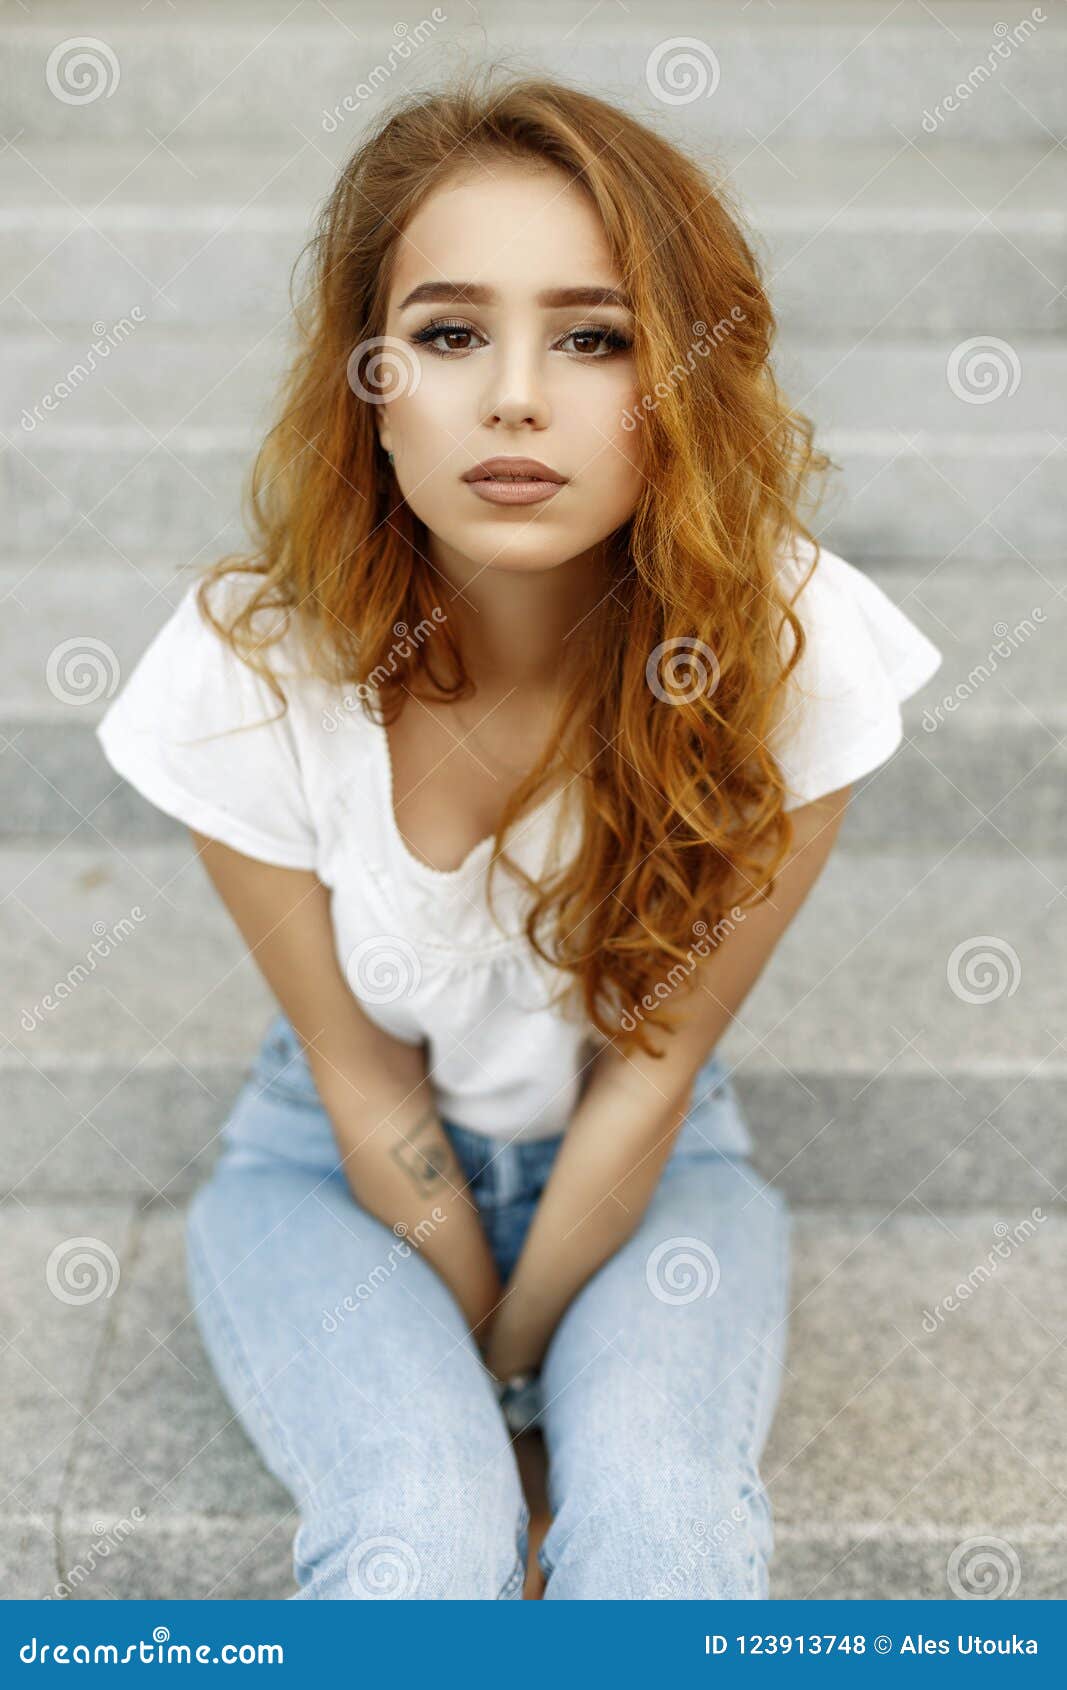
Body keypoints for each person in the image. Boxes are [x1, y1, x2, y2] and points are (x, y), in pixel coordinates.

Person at [94, 72, 942, 1600]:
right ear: (370, 376)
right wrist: (478, 1418)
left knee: (666, 1542)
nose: (516, 398)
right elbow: (364, 1089)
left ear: (678, 372)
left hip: (652, 1163)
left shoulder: (793, 645)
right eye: (449, 332)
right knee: (422, 1532)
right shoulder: (247, 667)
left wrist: (509, 1360)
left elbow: (656, 1073)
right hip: (326, 1164)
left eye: (595, 335)